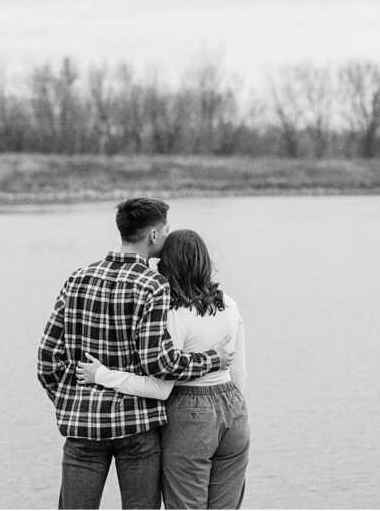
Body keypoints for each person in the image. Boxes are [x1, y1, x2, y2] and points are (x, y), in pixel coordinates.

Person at [37, 199, 234, 510]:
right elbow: (160, 363)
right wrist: (213, 359)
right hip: (138, 427)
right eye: (167, 230)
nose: (169, 237)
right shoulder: (154, 286)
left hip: (83, 426)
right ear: (154, 235)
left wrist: (69, 401)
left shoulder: (77, 278)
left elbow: (47, 358)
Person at [76, 229, 249, 510]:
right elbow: (239, 373)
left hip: (191, 414)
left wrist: (102, 375)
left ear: (167, 264)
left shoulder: (172, 312)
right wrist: (231, 413)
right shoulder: (228, 304)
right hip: (235, 412)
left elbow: (161, 386)